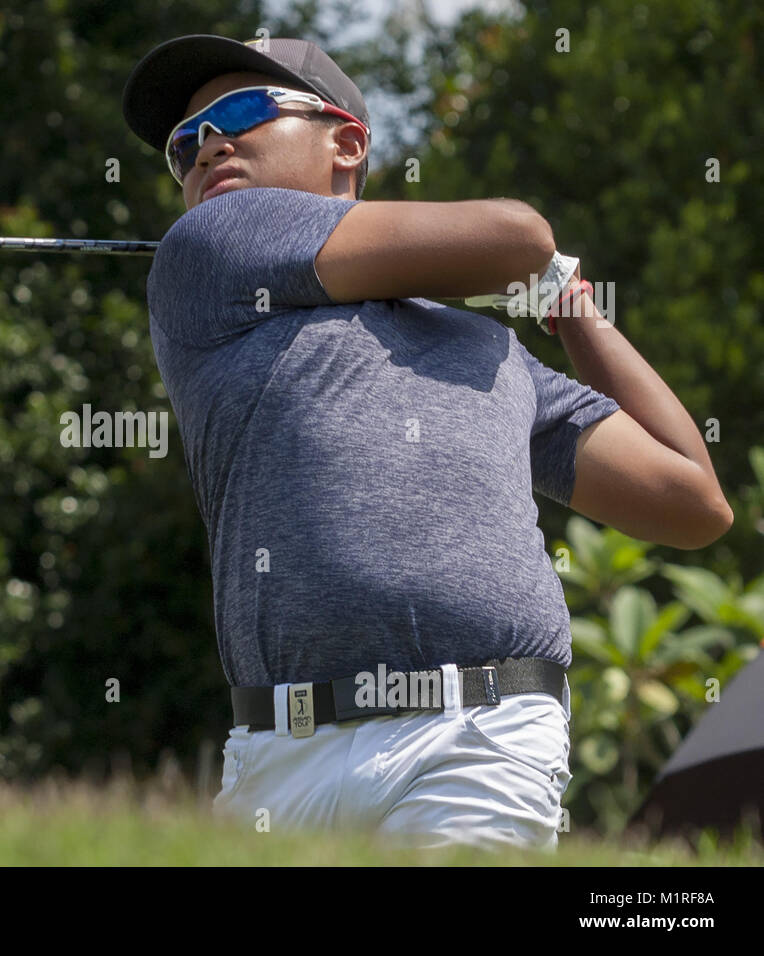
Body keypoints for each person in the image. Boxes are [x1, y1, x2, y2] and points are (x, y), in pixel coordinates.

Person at [121, 34, 734, 850]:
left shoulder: (489, 351)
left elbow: (693, 503)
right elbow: (520, 238)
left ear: (347, 143)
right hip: (279, 753)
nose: (208, 147)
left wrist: (570, 306)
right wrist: (533, 268)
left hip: (481, 734)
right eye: (184, 144)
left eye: (241, 112)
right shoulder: (210, 249)